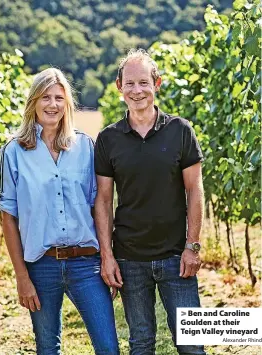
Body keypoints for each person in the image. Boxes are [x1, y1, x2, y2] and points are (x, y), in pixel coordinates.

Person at [0, 68, 120, 355]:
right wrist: (21, 277)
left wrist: (107, 257)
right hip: (41, 266)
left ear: (67, 104)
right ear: (33, 102)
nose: (52, 105)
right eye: (45, 98)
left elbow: (99, 205)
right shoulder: (13, 152)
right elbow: (8, 218)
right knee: (48, 348)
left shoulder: (85, 146)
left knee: (108, 347)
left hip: (86, 264)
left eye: (59, 98)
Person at [94, 49, 207, 355]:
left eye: (144, 82)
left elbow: (195, 191)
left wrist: (192, 246)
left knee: (192, 344)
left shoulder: (181, 131)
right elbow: (103, 202)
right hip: (130, 259)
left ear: (157, 83)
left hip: (176, 258)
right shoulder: (108, 139)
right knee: (141, 343)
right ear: (120, 87)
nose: (137, 90)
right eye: (129, 83)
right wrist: (107, 256)